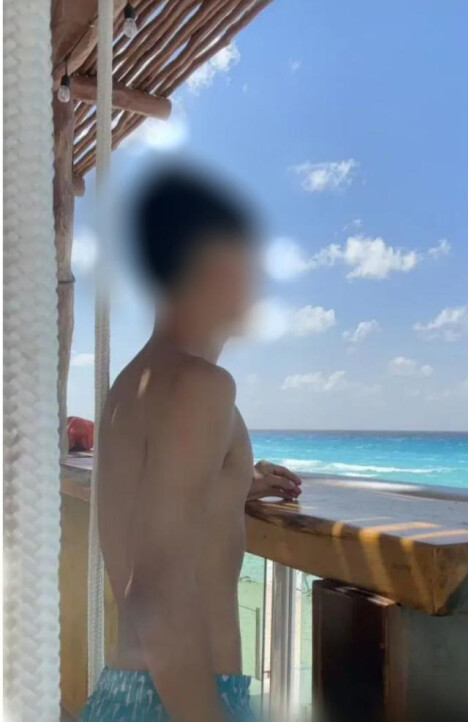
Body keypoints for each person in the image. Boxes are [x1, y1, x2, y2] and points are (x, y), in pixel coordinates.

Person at [79, 165, 302, 722]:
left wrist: (236, 483)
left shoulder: (135, 383)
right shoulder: (202, 387)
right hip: (182, 699)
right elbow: (156, 601)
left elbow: (155, 498)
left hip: (139, 693)